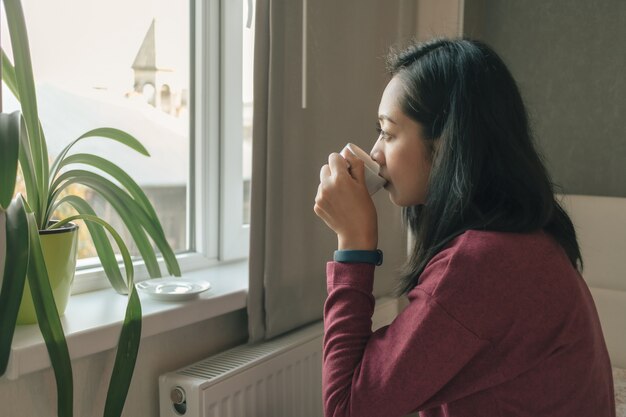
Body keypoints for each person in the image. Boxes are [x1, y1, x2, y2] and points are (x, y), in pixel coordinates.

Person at [314, 38, 615, 417]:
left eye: (388, 133)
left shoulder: (482, 264)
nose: (375, 153)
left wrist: (354, 246)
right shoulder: (524, 238)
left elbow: (346, 409)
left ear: (444, 144)